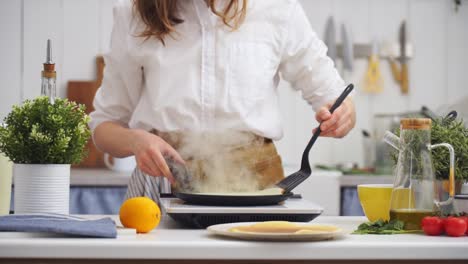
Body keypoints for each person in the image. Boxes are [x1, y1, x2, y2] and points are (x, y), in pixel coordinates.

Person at [89, 0, 356, 203]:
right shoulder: (134, 13)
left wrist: (342, 116)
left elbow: (335, 99)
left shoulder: (278, 8)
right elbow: (104, 127)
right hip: (162, 188)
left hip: (257, 186)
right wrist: (136, 141)